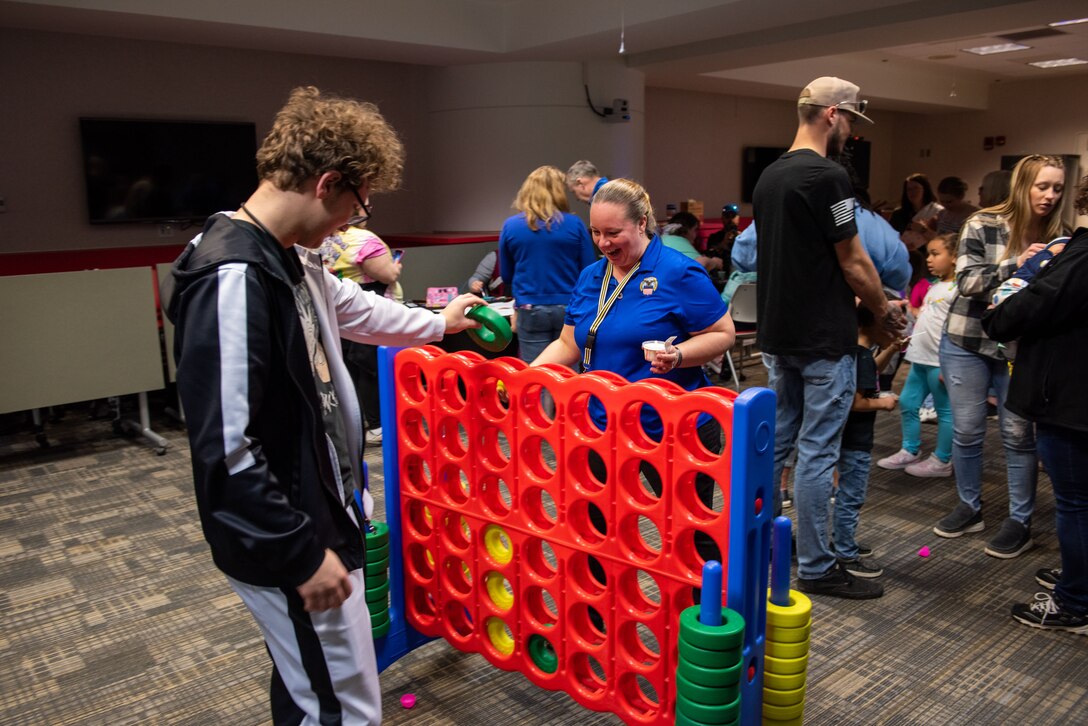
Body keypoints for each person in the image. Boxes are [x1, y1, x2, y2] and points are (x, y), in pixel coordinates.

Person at [164, 86, 485, 725]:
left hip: (314, 517)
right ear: (328, 182)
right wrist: (299, 553)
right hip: (286, 534)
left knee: (311, 682)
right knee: (341, 708)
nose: (354, 221)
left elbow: (352, 307)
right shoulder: (235, 274)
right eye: (357, 204)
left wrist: (438, 325)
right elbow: (227, 448)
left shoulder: (292, 257)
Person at [532, 178, 735, 583]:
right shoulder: (592, 276)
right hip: (602, 425)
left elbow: (722, 333)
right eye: (595, 232)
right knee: (593, 530)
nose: (603, 243)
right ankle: (597, 625)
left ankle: (703, 629)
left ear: (642, 224)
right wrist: (527, 376)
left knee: (690, 533)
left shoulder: (678, 271)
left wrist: (678, 355)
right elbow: (569, 343)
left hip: (671, 429)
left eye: (613, 233)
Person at [755, 76, 904, 600]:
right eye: (851, 123)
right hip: (822, 339)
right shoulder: (828, 177)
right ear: (833, 114)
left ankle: (763, 543)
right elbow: (854, 260)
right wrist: (885, 312)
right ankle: (817, 567)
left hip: (780, 336)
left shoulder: (770, 177)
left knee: (779, 446)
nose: (851, 135)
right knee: (818, 453)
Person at [934, 154, 1067, 559]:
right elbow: (967, 282)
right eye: (1042, 186)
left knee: (1017, 436)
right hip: (966, 341)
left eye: (1057, 188)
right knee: (968, 431)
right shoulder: (983, 222)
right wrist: (1017, 263)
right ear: (1022, 185)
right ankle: (969, 507)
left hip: (1019, 348)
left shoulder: (1060, 234)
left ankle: (1020, 521)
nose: (1049, 195)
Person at [981, 174, 1088, 634]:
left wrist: (1024, 280)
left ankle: (1075, 602)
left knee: (1076, 502)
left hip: (1071, 398)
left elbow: (1009, 315)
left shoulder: (1078, 257)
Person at [878, 233, 958, 477]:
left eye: (936, 254)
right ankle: (910, 450)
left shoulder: (959, 288)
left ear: (954, 257)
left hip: (938, 360)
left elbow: (954, 328)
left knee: (944, 410)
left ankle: (943, 459)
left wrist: (950, 363)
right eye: (928, 254)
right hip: (921, 357)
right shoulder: (935, 284)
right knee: (908, 403)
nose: (929, 260)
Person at [499, 165, 596, 362]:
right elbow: (589, 269)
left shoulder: (511, 226)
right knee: (568, 373)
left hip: (529, 307)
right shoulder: (575, 224)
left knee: (537, 373)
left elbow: (506, 275)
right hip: (569, 307)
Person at [834, 301, 901, 579]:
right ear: (873, 324)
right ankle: (845, 554)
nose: (895, 329)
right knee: (851, 498)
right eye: (890, 324)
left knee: (846, 496)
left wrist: (892, 349)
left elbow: (870, 370)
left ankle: (842, 543)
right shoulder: (859, 356)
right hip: (855, 442)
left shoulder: (858, 352)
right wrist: (883, 404)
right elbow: (856, 402)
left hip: (846, 439)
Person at [321, 221, 403, 445]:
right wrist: (394, 267)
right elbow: (387, 275)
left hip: (334, 312)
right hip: (367, 308)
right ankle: (377, 426)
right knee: (370, 370)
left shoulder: (322, 237)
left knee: (347, 369)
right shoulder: (363, 240)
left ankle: (356, 424)